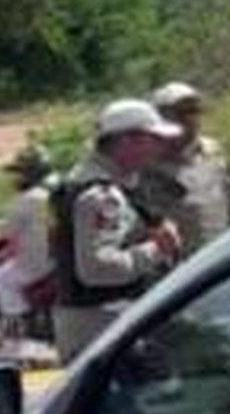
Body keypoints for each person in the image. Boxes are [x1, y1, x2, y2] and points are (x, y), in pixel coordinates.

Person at [52, 99, 184, 364]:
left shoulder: (110, 184)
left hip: (108, 323)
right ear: (126, 141)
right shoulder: (100, 196)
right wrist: (158, 248)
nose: (159, 147)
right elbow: (97, 269)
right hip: (100, 325)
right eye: (153, 139)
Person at [144, 82, 230, 256]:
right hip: (171, 263)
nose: (190, 118)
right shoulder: (144, 160)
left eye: (194, 110)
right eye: (180, 112)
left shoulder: (213, 151)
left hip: (218, 253)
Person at [0, 147, 55, 347]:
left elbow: (8, 229)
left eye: (18, 173)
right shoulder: (56, 191)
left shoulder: (27, 199)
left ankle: (17, 332)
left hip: (40, 262)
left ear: (27, 174)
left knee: (3, 278)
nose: (14, 178)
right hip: (63, 258)